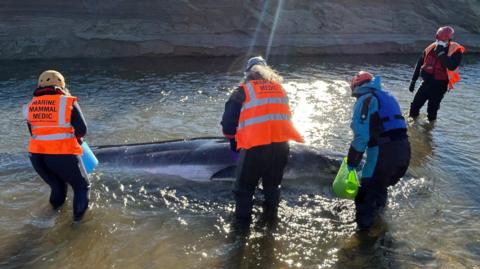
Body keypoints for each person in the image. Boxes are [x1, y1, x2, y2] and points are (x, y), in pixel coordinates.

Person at [221, 56, 303, 225]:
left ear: (247, 74)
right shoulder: (280, 89)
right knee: (272, 186)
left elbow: (228, 124)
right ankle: (271, 220)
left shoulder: (243, 90)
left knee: (244, 190)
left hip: (254, 148)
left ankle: (241, 229)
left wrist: (233, 144)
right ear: (267, 71)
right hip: (281, 147)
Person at [347, 71, 410, 231]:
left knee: (364, 196)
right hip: (404, 151)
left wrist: (351, 164)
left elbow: (361, 138)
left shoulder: (365, 99)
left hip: (384, 155)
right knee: (379, 188)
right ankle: (380, 228)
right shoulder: (387, 96)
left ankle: (363, 244)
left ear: (356, 85)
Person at [23, 70, 90, 222]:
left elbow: (35, 133)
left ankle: (50, 217)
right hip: (62, 154)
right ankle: (77, 225)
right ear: (62, 85)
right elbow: (82, 130)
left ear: (39, 85)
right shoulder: (67, 101)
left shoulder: (30, 106)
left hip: (37, 157)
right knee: (81, 187)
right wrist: (76, 140)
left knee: (58, 186)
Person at [409, 26, 465, 122]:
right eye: (438, 38)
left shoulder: (456, 50)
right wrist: (413, 81)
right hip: (426, 83)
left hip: (440, 86)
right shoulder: (430, 48)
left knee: (432, 111)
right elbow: (419, 63)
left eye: (443, 39)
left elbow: (452, 66)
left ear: (449, 38)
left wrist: (441, 53)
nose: (440, 40)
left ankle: (428, 131)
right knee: (414, 107)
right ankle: (412, 129)